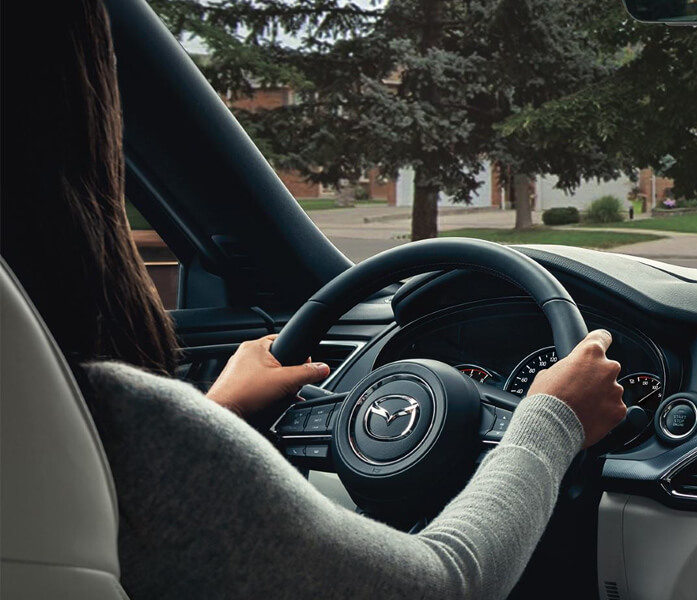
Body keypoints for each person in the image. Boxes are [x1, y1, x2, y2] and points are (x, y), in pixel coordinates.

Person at [0, 0, 627, 597]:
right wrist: (552, 418)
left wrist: (218, 413)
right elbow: (445, 584)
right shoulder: (118, 426)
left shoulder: (59, 437)